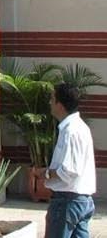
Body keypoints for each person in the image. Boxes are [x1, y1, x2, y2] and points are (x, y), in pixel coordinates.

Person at [44, 82, 96, 238]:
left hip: (67, 202)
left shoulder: (70, 131)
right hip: (81, 201)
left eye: (52, 99)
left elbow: (69, 171)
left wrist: (45, 173)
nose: (50, 103)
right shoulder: (80, 127)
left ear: (60, 105)